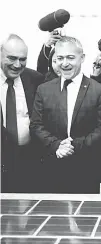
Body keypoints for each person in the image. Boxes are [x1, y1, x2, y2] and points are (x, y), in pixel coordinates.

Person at [30, 36, 101, 194]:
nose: (64, 63)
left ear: (82, 58)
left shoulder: (99, 90)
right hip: (51, 169)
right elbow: (36, 125)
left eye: (70, 57)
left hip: (85, 171)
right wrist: (56, 145)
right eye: (60, 58)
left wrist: (74, 145)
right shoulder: (44, 89)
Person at [0, 34, 44, 193]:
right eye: (11, 58)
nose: (17, 65)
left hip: (29, 162)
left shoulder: (36, 79)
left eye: (22, 59)